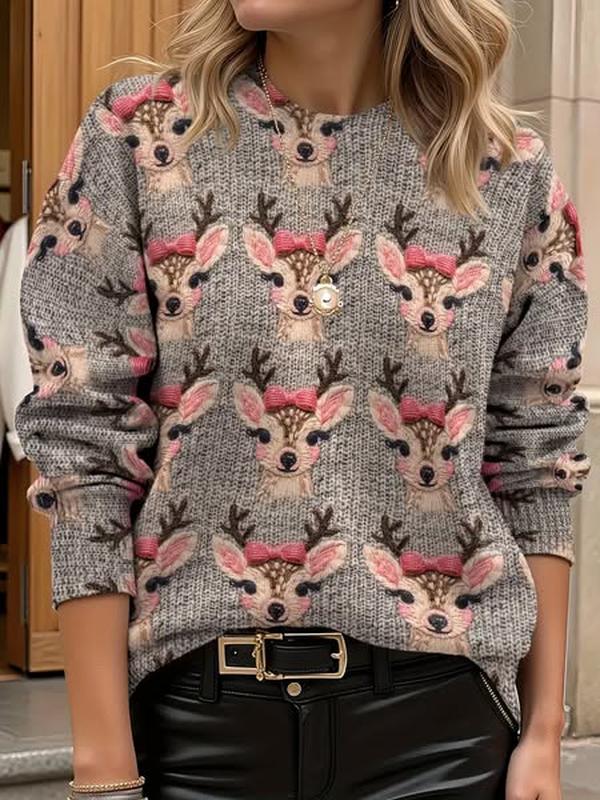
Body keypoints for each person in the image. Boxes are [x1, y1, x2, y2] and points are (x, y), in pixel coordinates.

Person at [15, 1, 591, 798]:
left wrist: (543, 733)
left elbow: (534, 458)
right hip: (195, 728)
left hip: (443, 731)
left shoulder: (506, 172)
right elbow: (83, 447)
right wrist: (103, 767)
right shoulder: (138, 138)